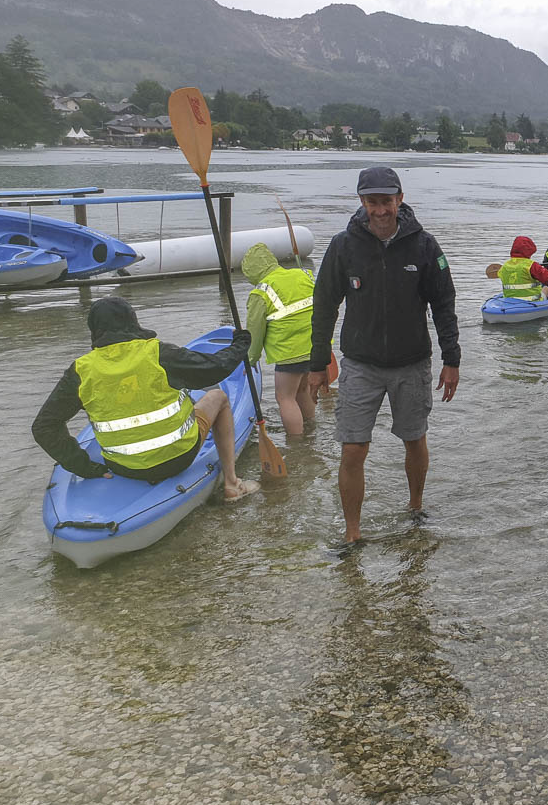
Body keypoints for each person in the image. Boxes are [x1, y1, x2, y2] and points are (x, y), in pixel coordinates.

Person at [308, 166, 461, 544]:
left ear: (400, 199)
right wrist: (316, 363)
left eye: (387, 202)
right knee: (353, 448)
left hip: (412, 364)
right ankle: (352, 534)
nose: (380, 210)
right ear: (362, 202)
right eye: (372, 202)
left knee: (414, 438)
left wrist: (452, 359)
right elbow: (324, 305)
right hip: (360, 365)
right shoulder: (344, 246)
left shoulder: (425, 245)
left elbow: (444, 304)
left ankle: (415, 506)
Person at [32, 297, 259, 500]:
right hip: (179, 458)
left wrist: (82, 466)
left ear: (94, 329)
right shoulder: (158, 353)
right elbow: (215, 369)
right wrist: (240, 344)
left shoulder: (81, 371)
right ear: (133, 321)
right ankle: (231, 482)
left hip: (124, 468)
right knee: (218, 396)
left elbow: (44, 427)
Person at [242, 242, 316, 437]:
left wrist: (251, 358)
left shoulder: (261, 292)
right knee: (303, 390)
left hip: (289, 352)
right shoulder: (303, 275)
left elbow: (254, 331)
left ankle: (296, 443)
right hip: (316, 346)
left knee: (285, 397)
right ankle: (311, 430)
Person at [499, 235, 548, 300]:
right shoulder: (531, 266)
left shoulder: (505, 266)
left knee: (540, 284)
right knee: (545, 288)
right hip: (531, 301)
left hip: (509, 300)